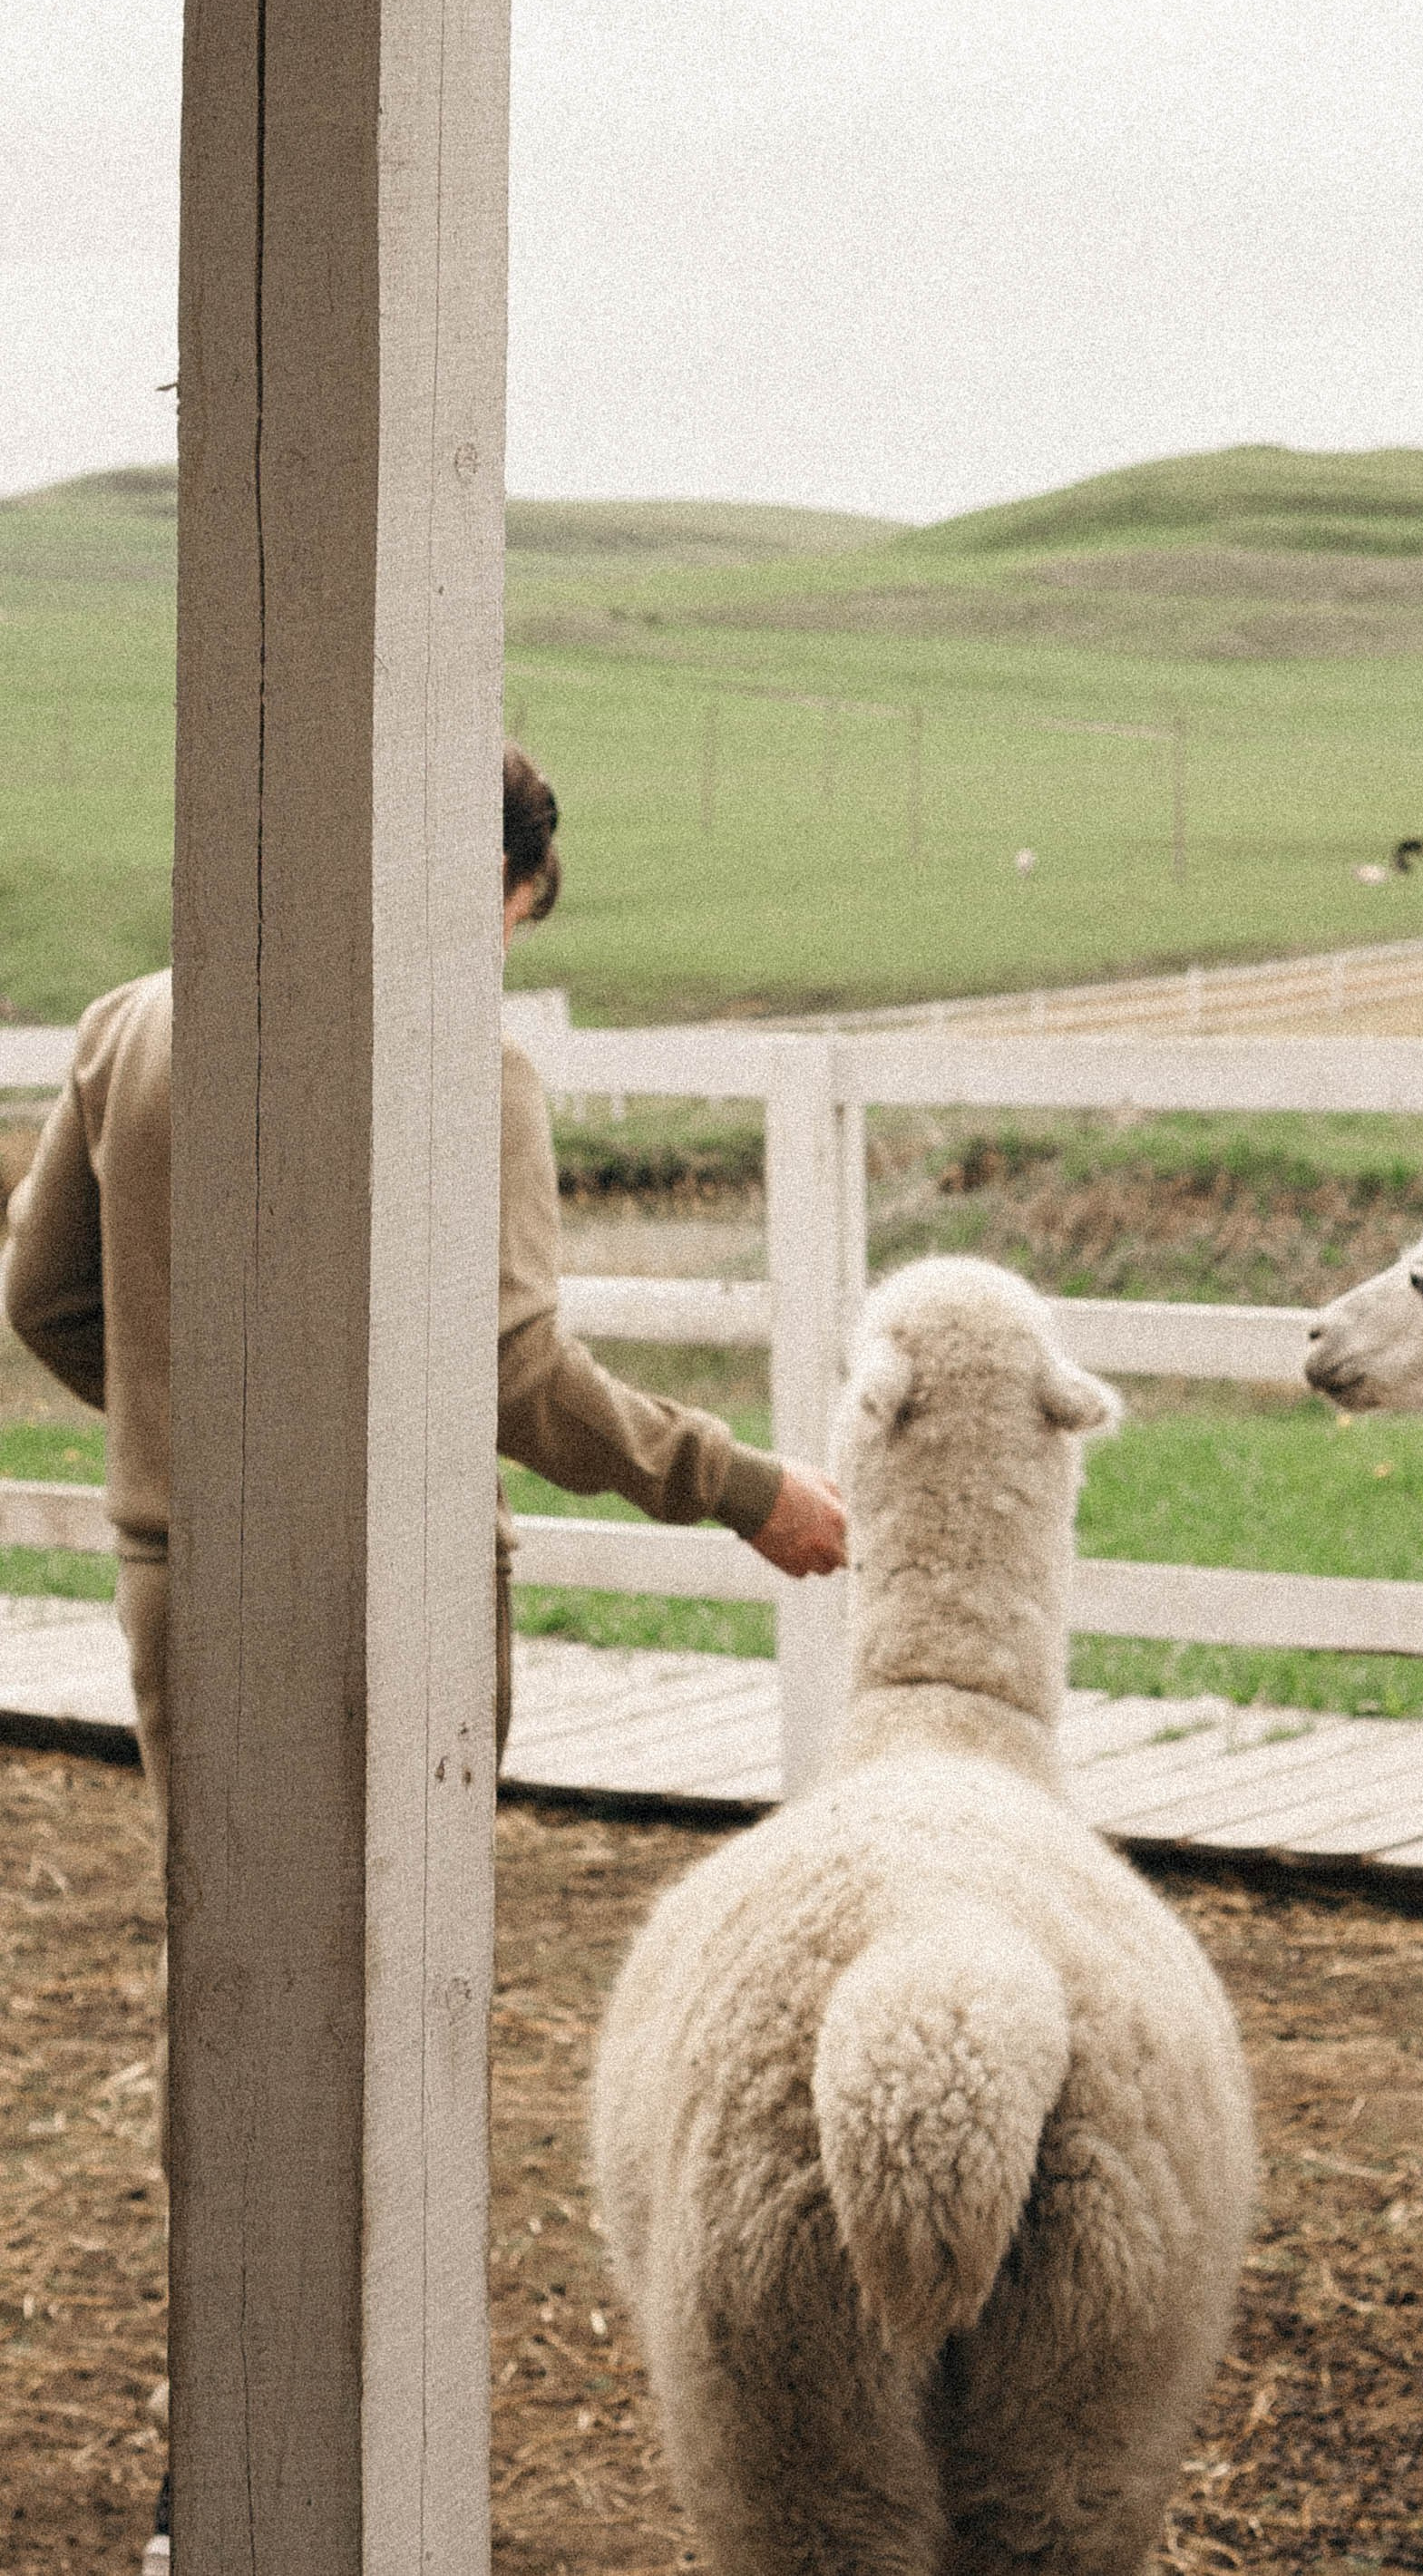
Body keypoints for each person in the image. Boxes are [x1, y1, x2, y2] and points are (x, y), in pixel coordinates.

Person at [1, 743, 846, 2571]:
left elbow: (41, 1295)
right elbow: (517, 1370)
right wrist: (740, 1483)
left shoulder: (131, 1019)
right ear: (513, 883)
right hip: (390, 1593)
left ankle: (207, 2468)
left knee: (232, 1997)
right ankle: (379, 2464)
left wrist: (181, 1446)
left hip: (178, 1581)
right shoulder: (466, 1058)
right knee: (400, 1999)